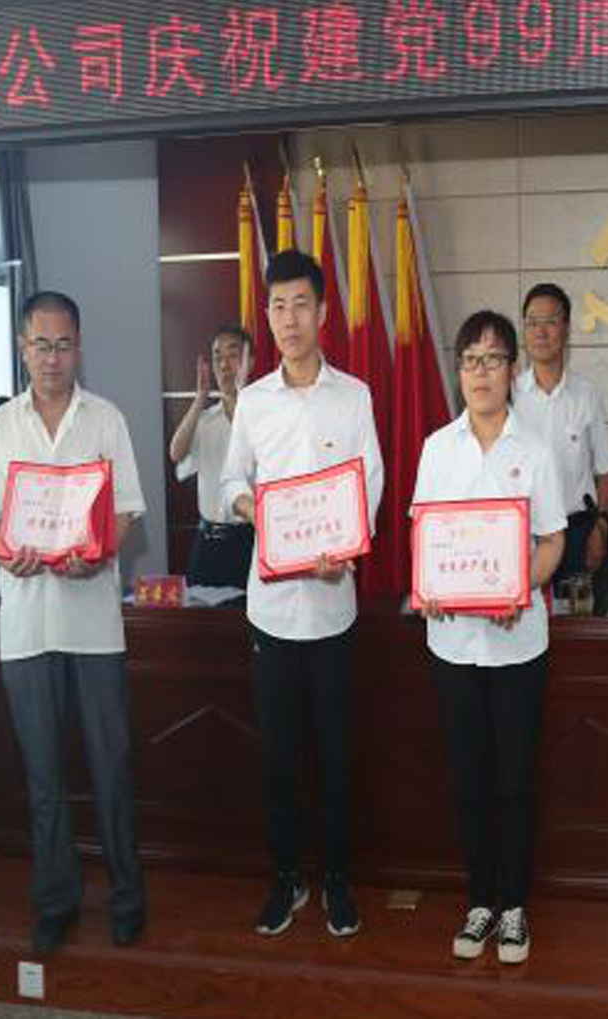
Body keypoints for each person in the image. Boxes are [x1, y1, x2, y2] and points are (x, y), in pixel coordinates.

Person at [0, 291, 147, 958]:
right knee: (43, 777)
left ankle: (127, 899)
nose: (52, 357)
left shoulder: (106, 420)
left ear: (79, 347)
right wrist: (4, 553)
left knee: (111, 767)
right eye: (40, 344)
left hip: (92, 619)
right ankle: (55, 901)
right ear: (22, 348)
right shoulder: (1, 427)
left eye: (63, 344)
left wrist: (96, 551)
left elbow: (125, 510)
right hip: (26, 624)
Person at [219, 249, 384, 939]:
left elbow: (370, 480)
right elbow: (231, 483)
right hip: (271, 609)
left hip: (333, 606)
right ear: (268, 315)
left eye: (301, 305)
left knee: (338, 757)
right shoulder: (254, 401)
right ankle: (286, 876)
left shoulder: (354, 396)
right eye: (278, 306)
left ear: (323, 313)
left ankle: (337, 879)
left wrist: (344, 543)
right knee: (278, 757)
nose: (289, 319)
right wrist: (258, 512)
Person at [411, 310, 566, 965]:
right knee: (470, 779)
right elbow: (424, 534)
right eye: (471, 360)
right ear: (459, 371)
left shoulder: (535, 451)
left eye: (494, 359)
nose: (481, 372)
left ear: (512, 371)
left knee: (514, 781)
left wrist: (521, 585)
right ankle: (480, 902)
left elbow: (553, 540)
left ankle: (515, 906)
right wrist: (428, 582)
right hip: (452, 645)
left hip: (518, 643)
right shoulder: (436, 448)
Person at [512, 283, 608, 614]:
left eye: (550, 321)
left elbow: (606, 472)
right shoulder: (509, 396)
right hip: (526, 535)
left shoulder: (585, 394)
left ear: (567, 329)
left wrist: (601, 528)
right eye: (532, 322)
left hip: (579, 536)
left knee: (582, 629)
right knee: (528, 626)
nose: (540, 332)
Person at [169, 325, 253, 588]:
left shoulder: (263, 418)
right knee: (200, 613)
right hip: (207, 542)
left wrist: (241, 398)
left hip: (250, 540)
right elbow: (176, 453)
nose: (224, 365)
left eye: (233, 355)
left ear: (250, 362)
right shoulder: (204, 420)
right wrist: (200, 398)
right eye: (218, 357)